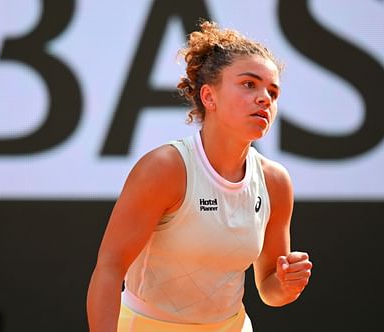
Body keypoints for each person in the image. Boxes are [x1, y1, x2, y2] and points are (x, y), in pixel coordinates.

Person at [86, 20, 312, 332]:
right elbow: (109, 268)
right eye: (249, 84)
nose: (264, 98)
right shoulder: (165, 168)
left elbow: (269, 288)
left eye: (272, 92)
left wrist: (286, 285)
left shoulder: (275, 181)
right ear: (209, 96)